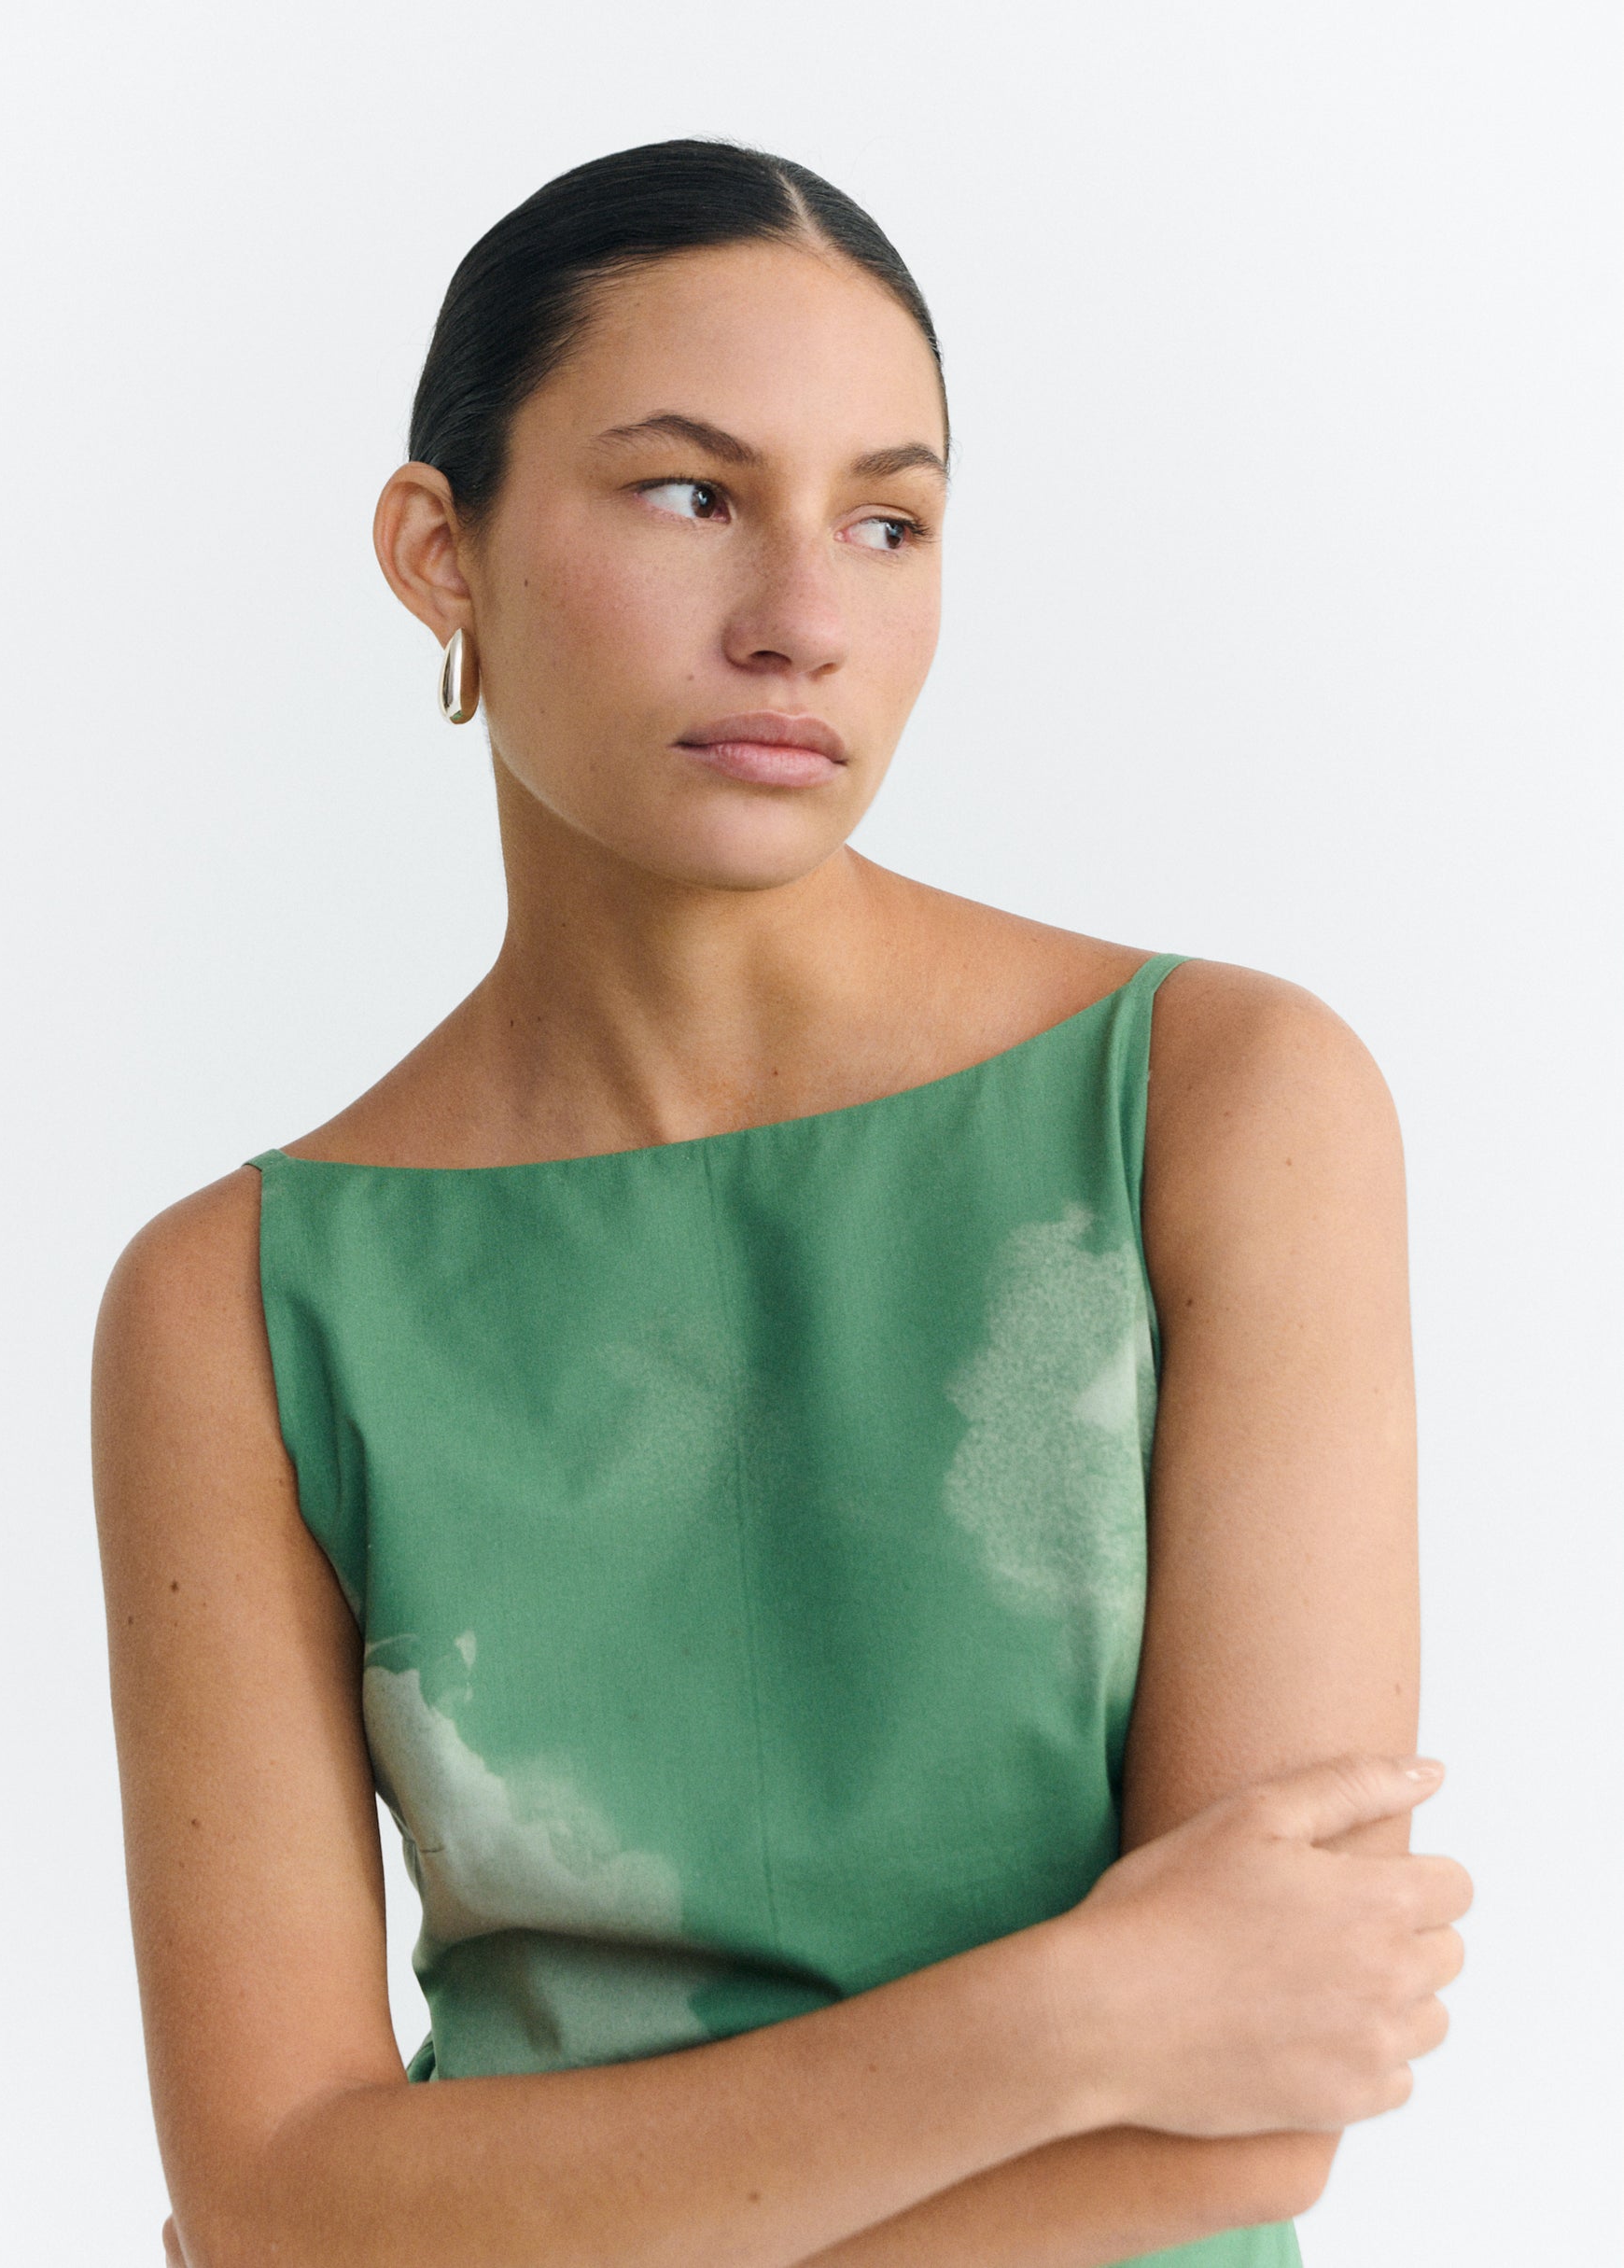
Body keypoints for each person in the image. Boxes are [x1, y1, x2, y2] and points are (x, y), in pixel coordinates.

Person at [91, 138, 1471, 2268]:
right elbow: (273, 2196)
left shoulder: (1217, 1103)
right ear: (439, 551)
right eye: (687, 494)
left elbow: (1248, 2122)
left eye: (885, 522)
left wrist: (475, 2228)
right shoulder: (238, 1302)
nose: (802, 622)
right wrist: (1084, 2009)